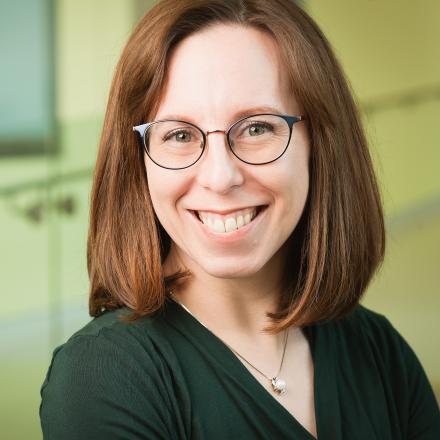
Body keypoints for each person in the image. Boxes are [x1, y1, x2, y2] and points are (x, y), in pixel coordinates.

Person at [39, 1, 440, 438]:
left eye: (256, 128)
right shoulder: (104, 375)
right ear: (139, 161)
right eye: (178, 134)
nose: (220, 177)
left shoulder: (378, 351)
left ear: (319, 143)